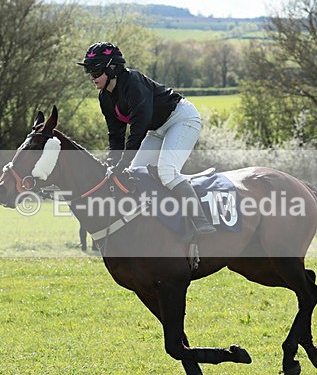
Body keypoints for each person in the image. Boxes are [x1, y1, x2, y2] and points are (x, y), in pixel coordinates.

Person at [77, 41, 216, 238]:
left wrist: (123, 161)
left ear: (113, 68)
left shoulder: (133, 83)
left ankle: (201, 222)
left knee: (167, 172)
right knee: (135, 174)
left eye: (96, 71)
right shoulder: (105, 97)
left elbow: (138, 129)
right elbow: (115, 134)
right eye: (89, 71)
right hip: (156, 129)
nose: (92, 77)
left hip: (181, 119)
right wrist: (113, 162)